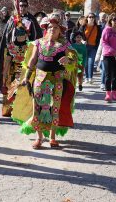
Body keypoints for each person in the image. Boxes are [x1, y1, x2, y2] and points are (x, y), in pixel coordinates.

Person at [12, 16, 77, 149]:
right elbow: (32, 60)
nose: (52, 29)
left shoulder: (65, 44)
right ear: (46, 29)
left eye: (56, 27)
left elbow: (74, 59)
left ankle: (52, 137)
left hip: (57, 80)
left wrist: (68, 60)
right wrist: (27, 76)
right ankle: (39, 137)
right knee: (38, 107)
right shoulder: (38, 42)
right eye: (50, 27)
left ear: (61, 30)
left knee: (55, 108)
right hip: (39, 80)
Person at [0, 0, 40, 93]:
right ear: (18, 7)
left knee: (23, 71)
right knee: (7, 71)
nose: (22, 7)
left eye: (24, 6)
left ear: (27, 7)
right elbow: (7, 33)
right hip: (12, 50)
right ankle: (7, 88)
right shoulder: (13, 18)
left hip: (26, 50)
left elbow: (36, 36)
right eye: (21, 5)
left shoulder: (31, 19)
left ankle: (23, 92)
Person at [1, 17, 29, 116]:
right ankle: (9, 110)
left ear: (26, 35)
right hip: (12, 71)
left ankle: (22, 111)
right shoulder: (11, 47)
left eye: (23, 34)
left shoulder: (30, 46)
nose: (21, 36)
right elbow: (7, 62)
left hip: (25, 71)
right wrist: (4, 78)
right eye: (18, 34)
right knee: (11, 90)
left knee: (23, 91)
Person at [79, 12, 101, 83]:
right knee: (85, 63)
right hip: (84, 47)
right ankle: (86, 77)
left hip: (93, 47)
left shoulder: (97, 27)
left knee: (91, 62)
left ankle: (90, 78)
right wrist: (82, 40)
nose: (91, 18)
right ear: (87, 18)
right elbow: (78, 35)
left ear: (94, 19)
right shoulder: (83, 26)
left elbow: (99, 38)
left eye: (92, 17)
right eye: (90, 17)